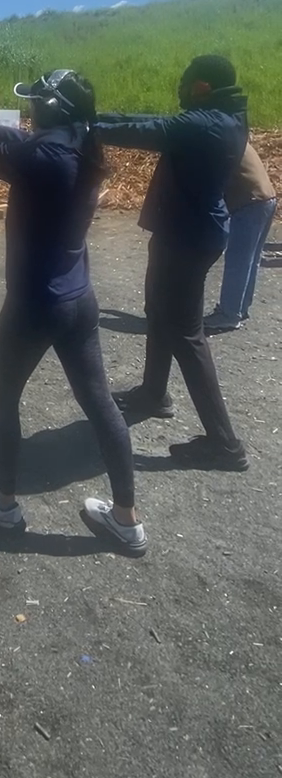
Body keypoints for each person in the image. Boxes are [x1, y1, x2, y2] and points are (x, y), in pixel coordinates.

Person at [0, 69, 147, 558]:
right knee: (100, 402)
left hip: (33, 305)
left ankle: (4, 505)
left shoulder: (44, 158)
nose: (30, 109)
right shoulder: (80, 143)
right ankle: (126, 520)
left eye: (37, 102)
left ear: (52, 108)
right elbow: (16, 138)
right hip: (77, 299)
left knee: (4, 400)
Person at [95, 55, 249, 471]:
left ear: (201, 87)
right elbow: (147, 121)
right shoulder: (224, 118)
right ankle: (153, 393)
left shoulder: (206, 123)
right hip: (183, 232)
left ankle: (225, 445)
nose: (179, 88)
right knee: (159, 315)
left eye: (185, 82)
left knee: (186, 334)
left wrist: (87, 123)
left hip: (188, 237)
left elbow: (143, 127)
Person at [205, 143, 277, 331]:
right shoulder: (236, 138)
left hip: (249, 203)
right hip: (266, 198)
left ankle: (229, 314)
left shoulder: (219, 144)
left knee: (238, 261)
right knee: (250, 260)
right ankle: (240, 308)